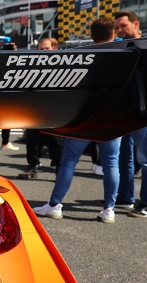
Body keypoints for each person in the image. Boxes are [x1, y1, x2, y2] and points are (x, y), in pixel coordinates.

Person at [33, 19, 122, 223]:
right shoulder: (125, 52)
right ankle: (109, 208)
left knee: (69, 161)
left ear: (91, 36)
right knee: (111, 163)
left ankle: (55, 205)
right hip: (113, 115)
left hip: (85, 115)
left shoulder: (84, 54)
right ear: (113, 33)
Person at [112, 11, 147, 218]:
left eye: (123, 26)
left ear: (136, 24)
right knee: (125, 157)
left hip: (143, 111)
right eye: (117, 27)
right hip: (124, 111)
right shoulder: (122, 47)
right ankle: (126, 197)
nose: (120, 30)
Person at [19, 37, 62, 178]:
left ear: (54, 48)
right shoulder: (31, 66)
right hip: (35, 111)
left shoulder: (64, 65)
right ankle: (33, 166)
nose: (43, 51)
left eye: (47, 48)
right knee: (32, 142)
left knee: (57, 142)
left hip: (55, 111)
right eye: (41, 48)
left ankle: (59, 169)